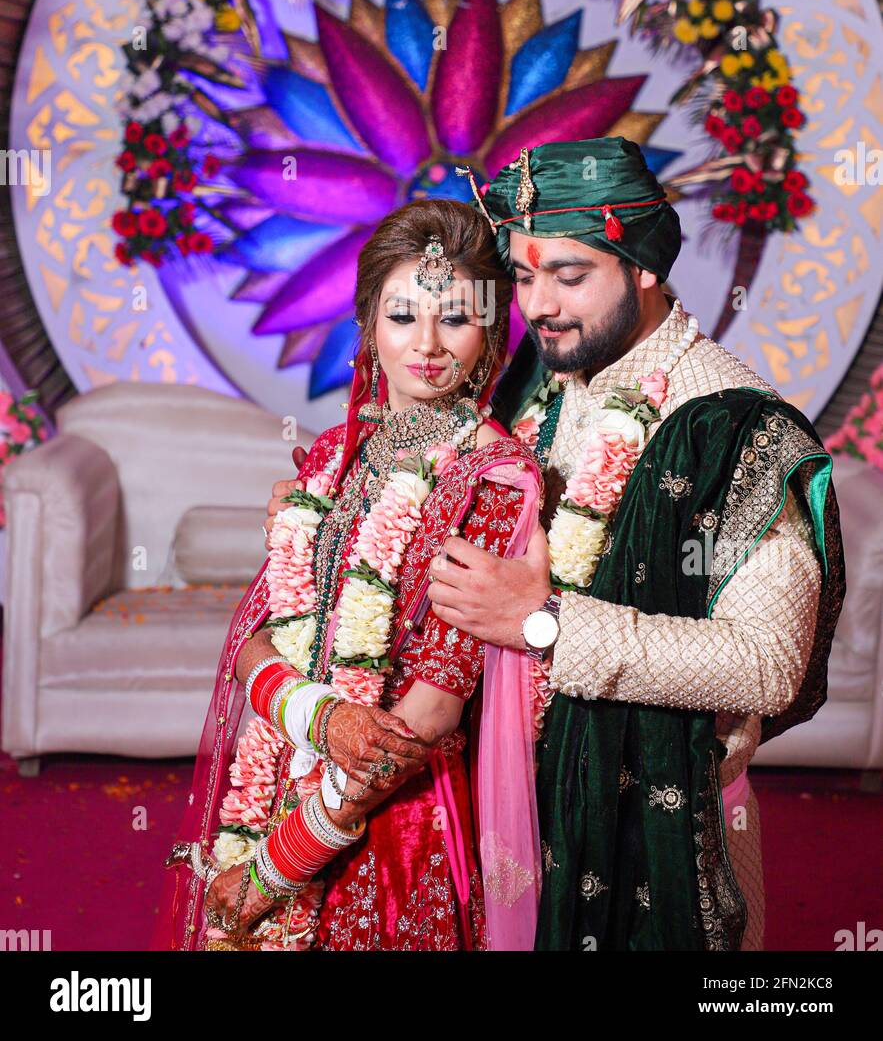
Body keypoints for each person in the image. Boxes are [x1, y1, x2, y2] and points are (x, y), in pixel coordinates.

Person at [266, 138, 845, 952]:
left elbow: (766, 664)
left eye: (569, 276)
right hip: (523, 819)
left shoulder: (729, 425)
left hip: (656, 831)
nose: (538, 304)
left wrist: (544, 623)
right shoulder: (546, 389)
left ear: (642, 264)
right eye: (525, 276)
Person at [154, 198, 545, 952]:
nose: (427, 345)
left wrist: (276, 867)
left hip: (397, 827)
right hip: (281, 777)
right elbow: (250, 640)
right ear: (368, 324)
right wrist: (319, 718)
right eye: (403, 317)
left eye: (456, 319)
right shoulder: (334, 455)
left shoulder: (496, 479)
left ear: (492, 330)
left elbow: (425, 718)